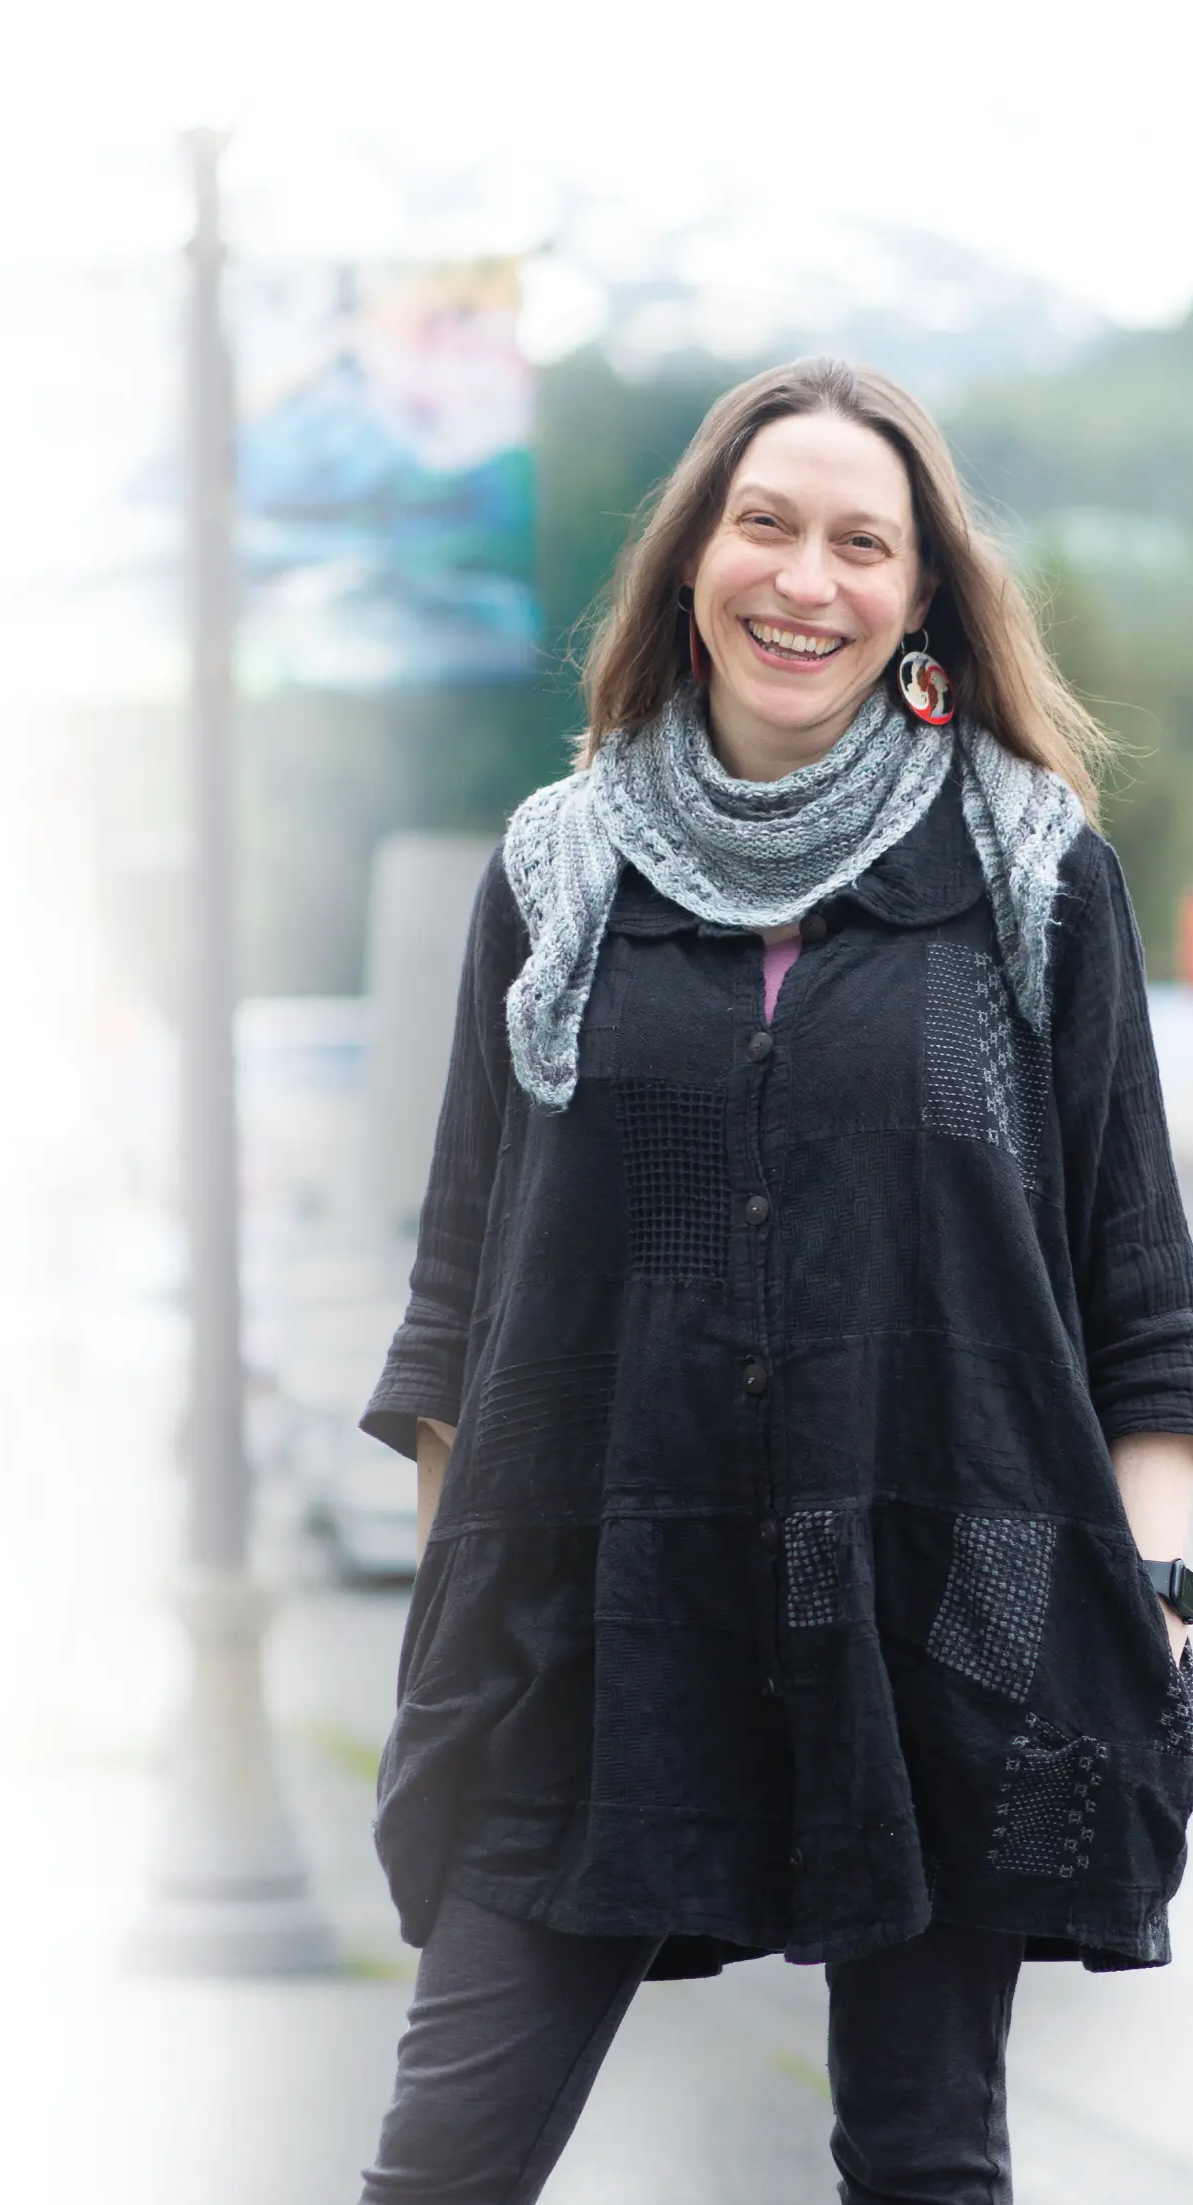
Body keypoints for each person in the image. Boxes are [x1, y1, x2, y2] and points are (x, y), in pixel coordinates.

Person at [355, 356, 1193, 2205]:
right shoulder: (556, 872)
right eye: (766, 525)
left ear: (919, 595)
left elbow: (1144, 1310)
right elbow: (463, 1296)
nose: (806, 579)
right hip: (599, 1613)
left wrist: (1151, 1602)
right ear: (688, 565)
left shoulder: (1032, 878)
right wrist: (459, 1625)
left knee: (924, 2159)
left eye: (860, 543)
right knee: (445, 2162)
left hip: (946, 1606)